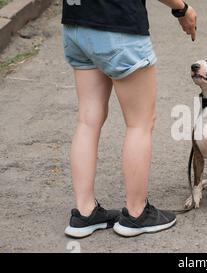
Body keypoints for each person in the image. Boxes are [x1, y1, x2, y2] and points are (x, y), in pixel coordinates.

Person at [62, 0, 197, 238]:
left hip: (76, 23)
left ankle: (84, 213)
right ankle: (136, 214)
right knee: (140, 123)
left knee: (87, 120)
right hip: (118, 27)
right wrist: (182, 8)